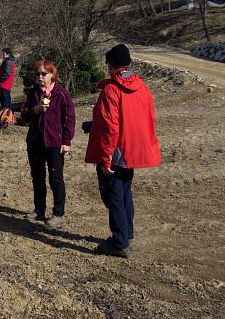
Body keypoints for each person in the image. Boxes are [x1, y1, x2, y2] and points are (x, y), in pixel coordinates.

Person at [84, 44, 161, 259]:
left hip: (115, 151)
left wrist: (105, 157)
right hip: (132, 150)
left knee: (114, 196)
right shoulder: (142, 88)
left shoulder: (111, 90)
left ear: (110, 65)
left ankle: (119, 242)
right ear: (128, 64)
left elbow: (111, 126)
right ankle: (127, 234)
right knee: (125, 193)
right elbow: (144, 118)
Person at [20, 59, 75, 228]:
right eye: (37, 74)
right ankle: (39, 210)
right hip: (35, 142)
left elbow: (69, 118)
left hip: (54, 143)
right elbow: (24, 116)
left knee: (55, 178)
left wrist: (66, 141)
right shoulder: (33, 94)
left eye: (44, 73)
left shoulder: (61, 94)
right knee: (37, 177)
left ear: (52, 75)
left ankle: (58, 213)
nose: (40, 77)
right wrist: (36, 109)